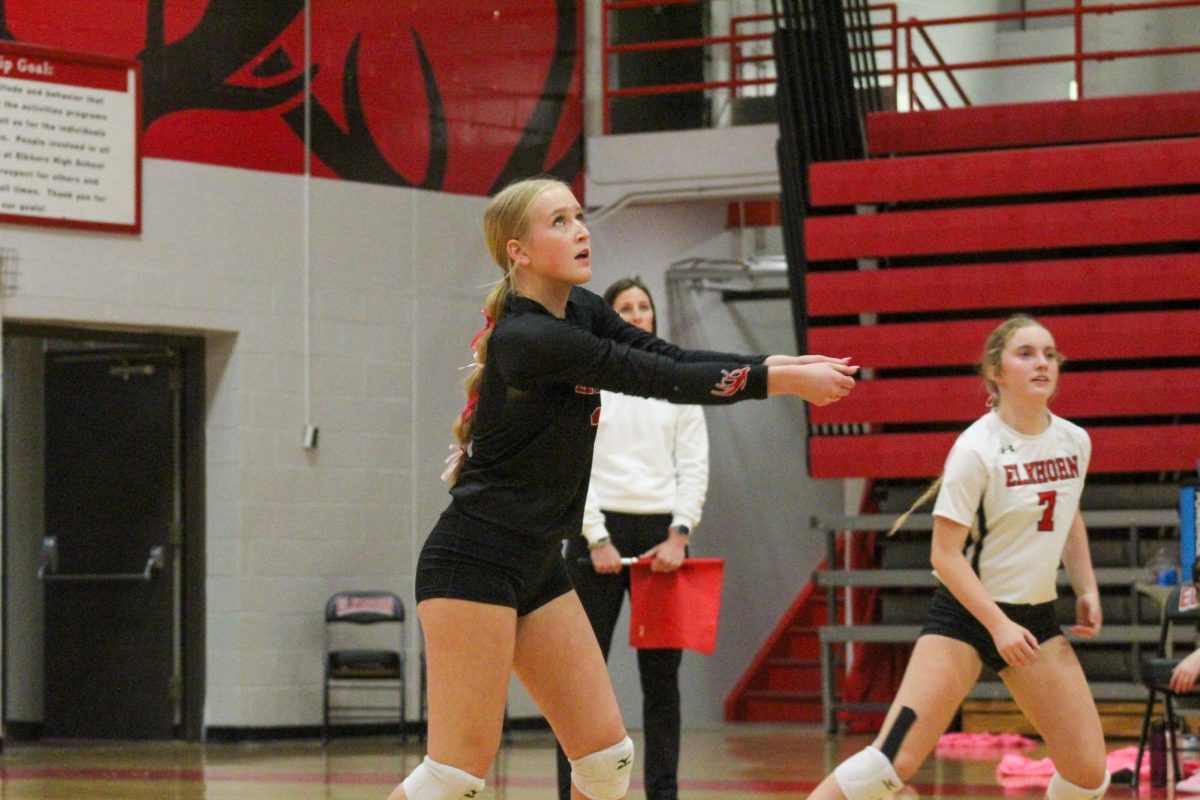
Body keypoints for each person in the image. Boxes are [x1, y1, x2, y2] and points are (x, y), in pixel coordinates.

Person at [386, 176, 858, 800]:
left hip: (536, 566)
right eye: (558, 221)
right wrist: (776, 383)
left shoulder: (580, 309)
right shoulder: (529, 339)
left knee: (605, 758)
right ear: (517, 252)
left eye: (579, 216)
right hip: (473, 563)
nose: (581, 230)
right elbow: (653, 375)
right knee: (457, 774)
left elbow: (661, 350)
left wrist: (777, 366)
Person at [806, 315, 1110, 800]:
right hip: (966, 617)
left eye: (1050, 354)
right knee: (890, 762)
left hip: (1034, 619)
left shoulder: (1075, 441)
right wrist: (997, 625)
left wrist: (1087, 588)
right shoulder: (975, 449)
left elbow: (1069, 516)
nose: (1042, 364)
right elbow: (944, 556)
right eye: (1026, 354)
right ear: (996, 371)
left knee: (1088, 772)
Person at [554, 276, 709, 800]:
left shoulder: (677, 382)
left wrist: (679, 534)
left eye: (646, 307)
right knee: (577, 683)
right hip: (596, 532)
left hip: (659, 539)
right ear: (613, 319)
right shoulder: (590, 379)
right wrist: (595, 536)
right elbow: (577, 463)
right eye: (628, 308)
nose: (639, 315)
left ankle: (662, 793)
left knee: (662, 685)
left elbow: (694, 464)